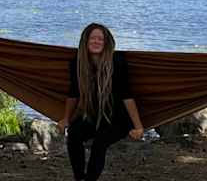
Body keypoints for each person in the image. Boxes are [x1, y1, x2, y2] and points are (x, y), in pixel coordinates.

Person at [57, 23, 144, 181]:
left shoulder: (117, 62)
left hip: (118, 119)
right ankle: (79, 177)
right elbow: (73, 93)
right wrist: (66, 118)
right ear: (85, 41)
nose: (96, 42)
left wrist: (138, 126)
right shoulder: (78, 63)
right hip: (92, 116)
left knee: (100, 143)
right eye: (92, 38)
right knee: (74, 135)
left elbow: (127, 95)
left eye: (100, 39)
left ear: (106, 43)